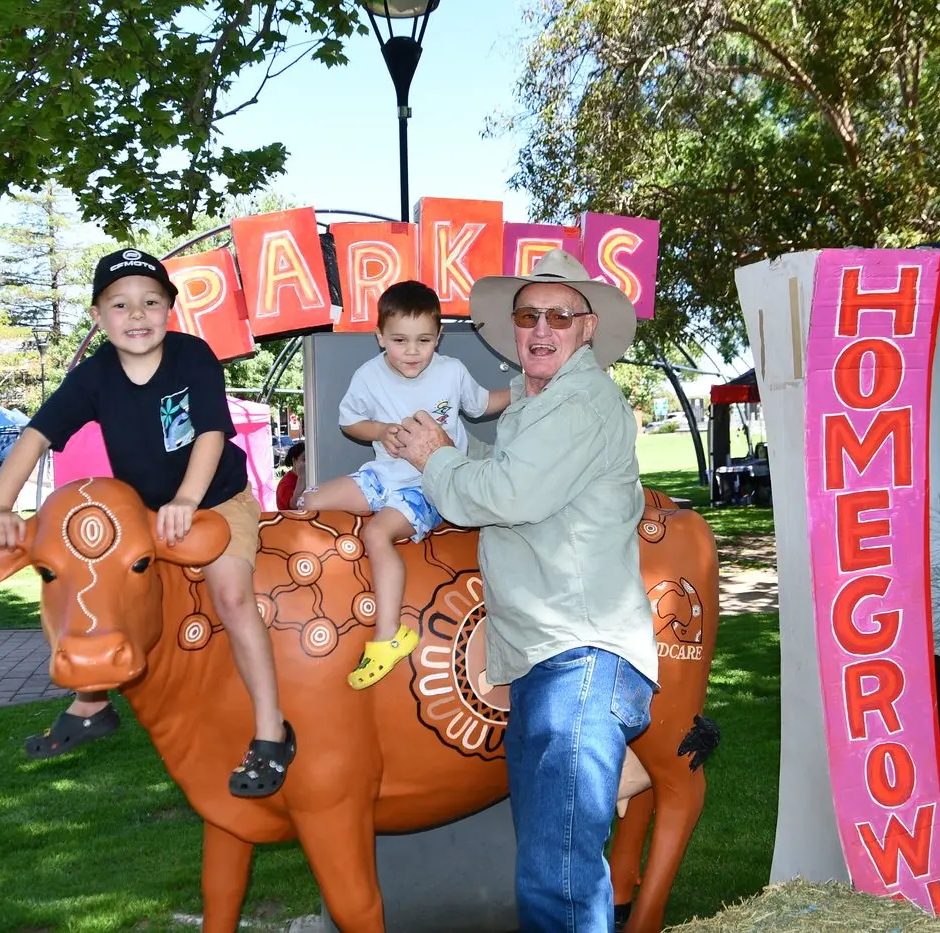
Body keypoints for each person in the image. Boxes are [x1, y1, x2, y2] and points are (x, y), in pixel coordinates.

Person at [392, 249, 658, 931]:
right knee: (556, 864)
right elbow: (508, 474)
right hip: (558, 658)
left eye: (558, 315)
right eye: (527, 314)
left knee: (557, 876)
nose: (541, 328)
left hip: (578, 658)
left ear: (586, 326)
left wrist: (433, 457)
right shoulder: (540, 405)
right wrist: (447, 446)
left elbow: (504, 495)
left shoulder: (576, 404)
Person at [0, 248, 295, 797]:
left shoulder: (192, 356)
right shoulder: (94, 376)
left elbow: (210, 433)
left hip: (215, 499)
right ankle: (93, 701)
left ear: (170, 309)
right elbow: (35, 435)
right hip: (148, 515)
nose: (137, 315)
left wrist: (187, 499)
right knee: (104, 594)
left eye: (150, 302)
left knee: (231, 595)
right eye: (120, 304)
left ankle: (271, 731)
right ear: (99, 316)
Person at [300, 280, 509, 690]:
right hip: (383, 476)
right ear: (380, 337)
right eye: (399, 340)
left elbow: (483, 404)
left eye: (423, 340)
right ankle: (320, 600)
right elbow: (349, 421)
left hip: (429, 485)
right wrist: (379, 430)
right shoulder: (368, 375)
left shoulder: (451, 372)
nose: (412, 351)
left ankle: (388, 635)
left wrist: (525, 391)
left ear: (438, 337)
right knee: (311, 500)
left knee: (378, 533)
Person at [276, 441, 305, 511]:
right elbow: (294, 505)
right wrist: (301, 478)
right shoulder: (286, 483)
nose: (308, 463)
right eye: (304, 459)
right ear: (294, 460)